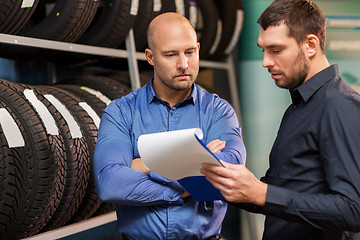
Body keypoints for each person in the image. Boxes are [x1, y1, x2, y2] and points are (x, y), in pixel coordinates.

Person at [200, 0, 360, 239]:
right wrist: (226, 182)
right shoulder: (299, 106)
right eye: (262, 50)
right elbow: (280, 194)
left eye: (275, 50)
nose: (265, 62)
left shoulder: (339, 105)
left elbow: (353, 211)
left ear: (311, 44)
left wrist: (261, 193)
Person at [93, 12, 246, 240]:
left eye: (190, 52)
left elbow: (228, 174)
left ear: (198, 48)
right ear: (151, 56)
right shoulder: (121, 112)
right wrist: (189, 183)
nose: (183, 64)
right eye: (171, 54)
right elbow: (110, 183)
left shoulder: (219, 111)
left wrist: (145, 164)